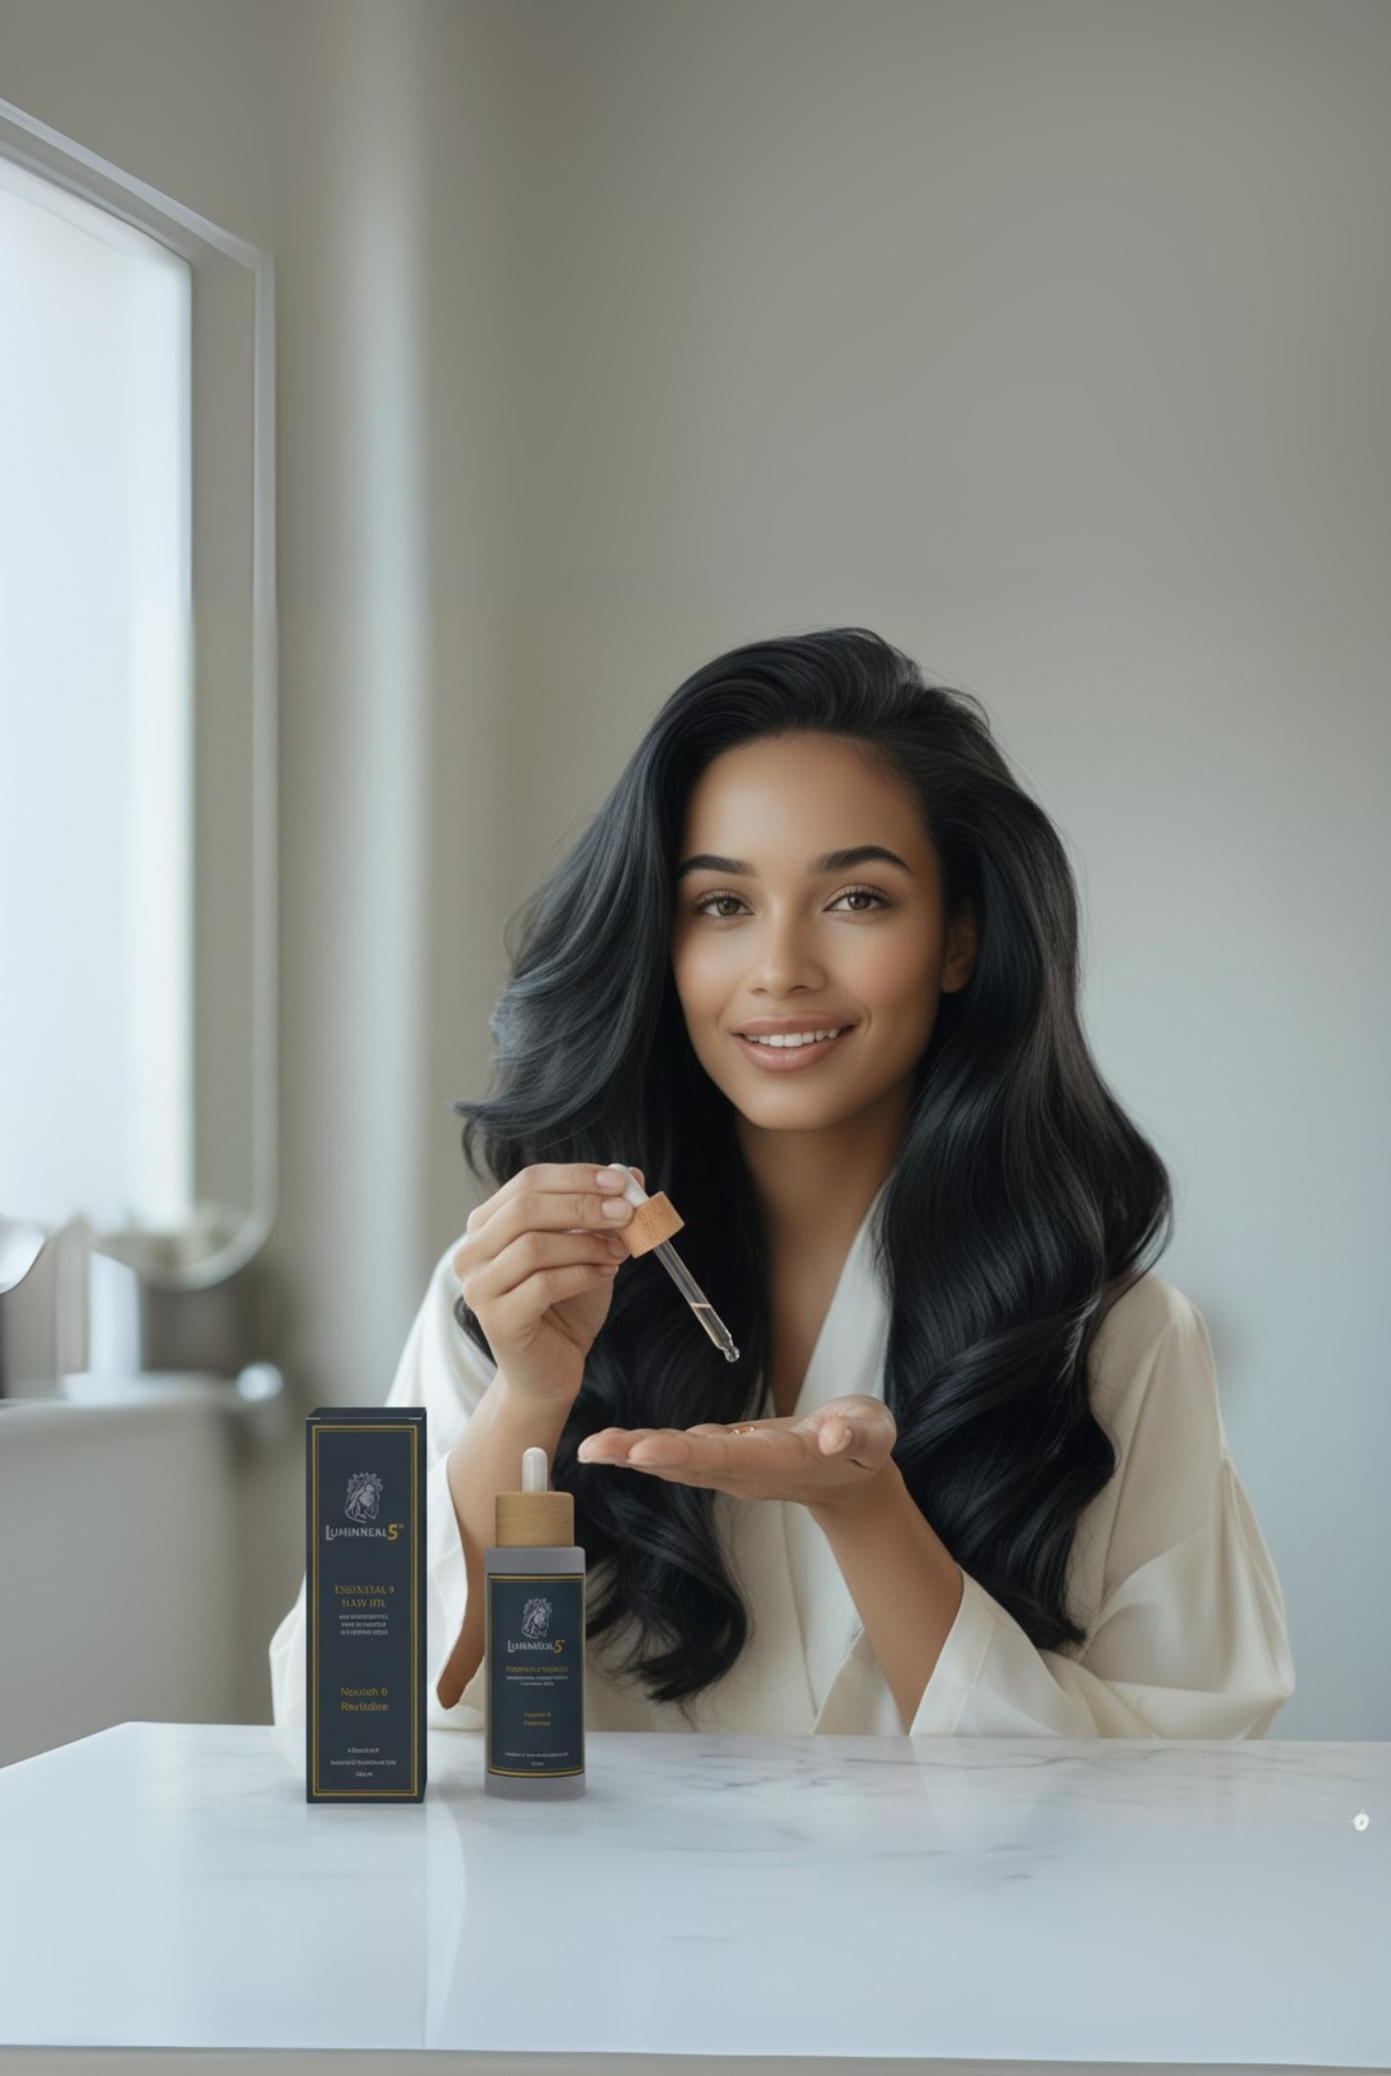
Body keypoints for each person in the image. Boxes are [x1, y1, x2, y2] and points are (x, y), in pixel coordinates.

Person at [270, 628, 1294, 1737]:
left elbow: (1191, 1779)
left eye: (856, 899)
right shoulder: (515, 1298)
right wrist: (524, 1409)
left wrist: (868, 1516)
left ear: (959, 940)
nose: (780, 970)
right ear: (660, 944)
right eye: (722, 906)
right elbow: (343, 1724)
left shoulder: (1120, 1339)